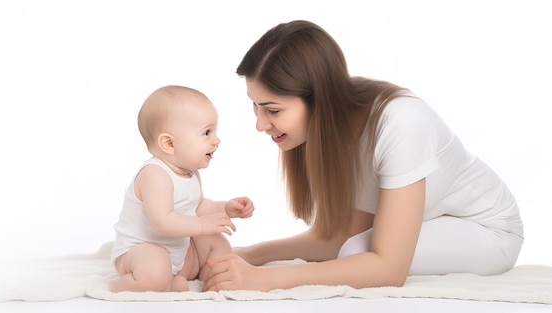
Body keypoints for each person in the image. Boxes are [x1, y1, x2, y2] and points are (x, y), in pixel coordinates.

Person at [201, 20, 524, 292]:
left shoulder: (401, 123)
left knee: (356, 253)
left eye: (272, 110)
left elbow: (387, 269)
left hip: (489, 231)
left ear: (319, 99)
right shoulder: (328, 128)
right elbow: (338, 234)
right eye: (255, 106)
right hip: (436, 219)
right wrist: (251, 253)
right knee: (352, 247)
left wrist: (264, 279)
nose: (259, 124)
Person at [110, 85, 254, 292]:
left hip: (177, 249)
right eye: (206, 132)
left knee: (216, 243)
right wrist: (202, 225)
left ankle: (206, 277)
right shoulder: (154, 174)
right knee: (155, 269)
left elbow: (199, 206)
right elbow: (163, 221)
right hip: (140, 251)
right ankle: (142, 285)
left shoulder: (190, 172)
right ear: (169, 143)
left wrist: (226, 208)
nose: (216, 140)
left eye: (214, 131)